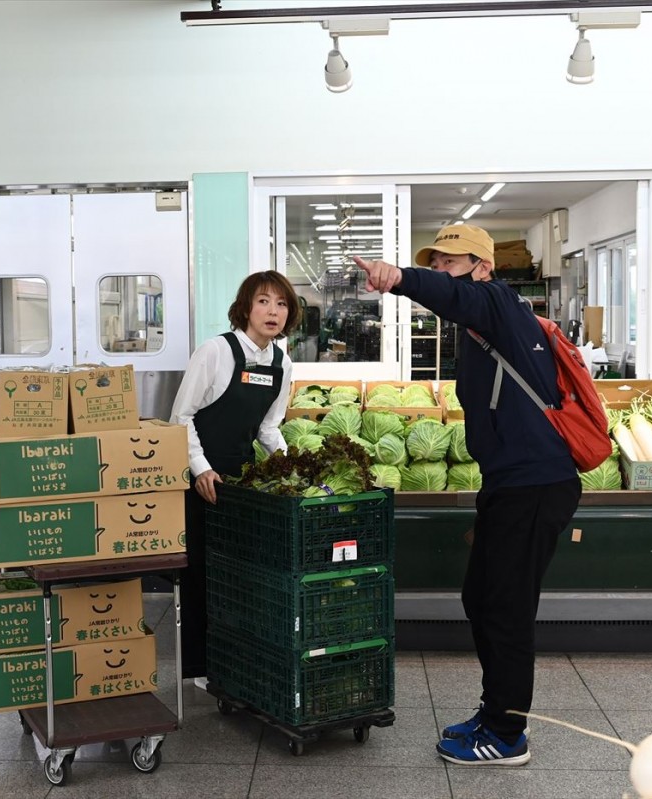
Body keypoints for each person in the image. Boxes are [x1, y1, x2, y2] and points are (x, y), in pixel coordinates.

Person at [354, 224, 581, 767]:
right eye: (435, 264)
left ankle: (507, 734)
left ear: (483, 268)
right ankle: (494, 708)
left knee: (505, 608)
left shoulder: (497, 301)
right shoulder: (482, 325)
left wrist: (400, 278)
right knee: (480, 597)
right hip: (510, 484)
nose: (442, 273)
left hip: (534, 485)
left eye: (451, 263)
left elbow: (454, 295)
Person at [169, 270, 301, 684]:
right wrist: (201, 467)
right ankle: (197, 668)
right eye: (263, 301)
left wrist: (291, 466)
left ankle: (232, 658)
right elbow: (181, 417)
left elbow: (268, 427)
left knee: (234, 573)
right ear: (245, 307)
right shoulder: (215, 352)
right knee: (198, 573)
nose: (272, 311)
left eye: (281, 304)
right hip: (198, 479)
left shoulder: (282, 363)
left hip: (240, 483)